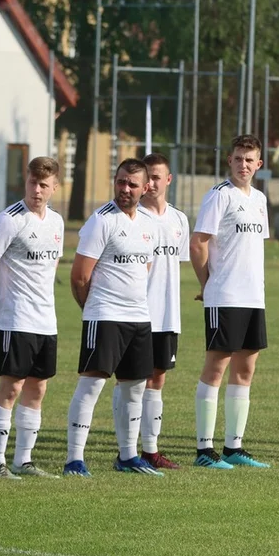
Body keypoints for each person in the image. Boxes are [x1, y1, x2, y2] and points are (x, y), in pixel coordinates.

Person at [64, 158, 160, 477]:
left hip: (139, 317)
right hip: (104, 316)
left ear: (145, 188)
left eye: (133, 184)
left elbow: (143, 268)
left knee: (134, 387)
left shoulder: (148, 224)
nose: (125, 189)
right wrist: (93, 313)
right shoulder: (101, 221)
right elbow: (79, 276)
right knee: (92, 385)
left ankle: (128, 455)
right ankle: (74, 459)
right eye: (121, 182)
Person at [0, 156, 64, 479]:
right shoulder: (8, 220)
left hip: (46, 321)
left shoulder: (56, 222)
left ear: (55, 186)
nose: (36, 190)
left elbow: (50, 268)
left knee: (37, 389)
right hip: (14, 320)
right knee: (11, 388)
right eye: (31, 183)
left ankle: (23, 461)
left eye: (43, 185)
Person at [189, 134, 271, 470]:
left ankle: (233, 446)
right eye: (238, 159)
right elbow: (198, 244)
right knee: (216, 366)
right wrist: (208, 285)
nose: (243, 165)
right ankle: (204, 450)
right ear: (229, 161)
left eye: (250, 160)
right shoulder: (219, 196)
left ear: (259, 164)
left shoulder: (260, 200)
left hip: (254, 296)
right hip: (225, 296)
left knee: (246, 368)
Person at [131, 152, 190, 469]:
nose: (151, 183)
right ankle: (126, 449)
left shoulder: (179, 220)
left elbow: (175, 265)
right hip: (136, 313)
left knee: (157, 381)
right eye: (147, 177)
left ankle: (150, 450)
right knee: (131, 381)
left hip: (167, 314)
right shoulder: (133, 217)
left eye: (157, 177)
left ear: (169, 180)